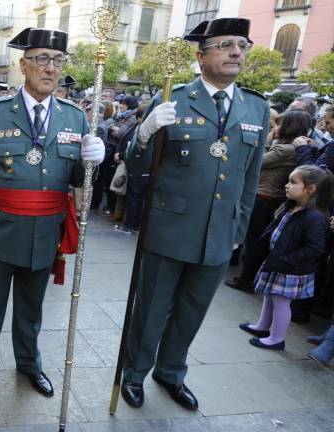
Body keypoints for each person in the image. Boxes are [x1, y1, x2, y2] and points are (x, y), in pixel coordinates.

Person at [121, 18, 269, 410]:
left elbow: (250, 179)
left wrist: (238, 228)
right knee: (151, 310)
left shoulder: (256, 106)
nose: (236, 52)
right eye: (225, 45)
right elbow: (135, 166)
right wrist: (145, 133)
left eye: (242, 44)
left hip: (219, 232)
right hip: (169, 229)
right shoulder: (173, 99)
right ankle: (134, 374)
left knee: (191, 312)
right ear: (201, 56)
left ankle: (171, 373)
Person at [0, 27, 105, 399]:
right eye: (41, 59)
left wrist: (94, 161)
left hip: (46, 232)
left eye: (57, 61)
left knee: (31, 310)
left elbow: (77, 176)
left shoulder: (75, 119)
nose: (50, 68)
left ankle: (29, 364)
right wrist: (6, 202)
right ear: (24, 65)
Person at [239, 165, 332, 350]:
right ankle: (262, 327)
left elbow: (314, 248)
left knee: (281, 302)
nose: (286, 185)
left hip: (291, 268)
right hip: (278, 262)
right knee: (269, 295)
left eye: (293, 182)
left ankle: (277, 338)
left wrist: (287, 260)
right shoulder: (291, 206)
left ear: (311, 188)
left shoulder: (314, 217)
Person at [225, 111, 308, 292]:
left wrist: (268, 140)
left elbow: (256, 162)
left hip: (265, 197)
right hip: (273, 197)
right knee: (257, 240)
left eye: (280, 124)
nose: (276, 128)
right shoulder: (292, 147)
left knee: (255, 241)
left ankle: (247, 280)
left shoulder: (284, 149)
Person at [114, 104, 147, 234]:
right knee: (140, 199)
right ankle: (135, 225)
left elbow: (133, 150)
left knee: (134, 198)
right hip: (145, 170)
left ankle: (129, 225)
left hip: (138, 168)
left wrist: (121, 155)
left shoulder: (143, 130)